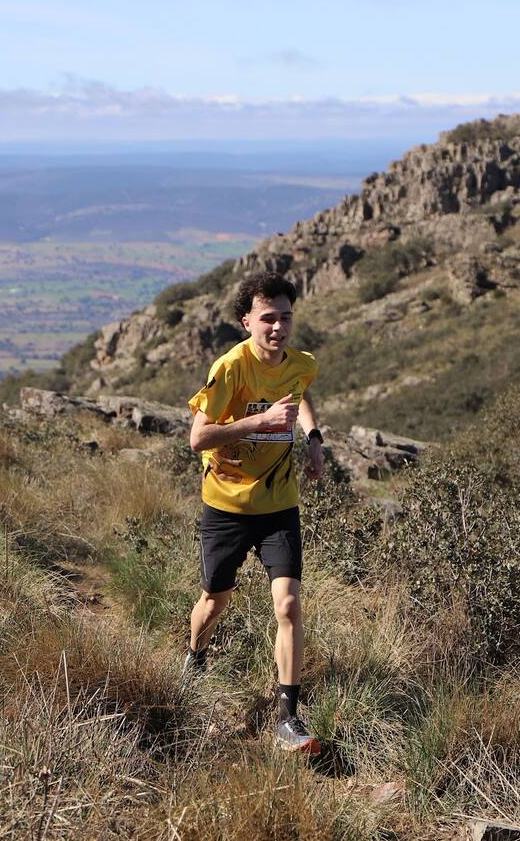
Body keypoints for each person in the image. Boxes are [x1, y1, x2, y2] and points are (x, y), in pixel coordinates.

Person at [183, 271, 325, 754]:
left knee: (287, 605)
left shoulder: (301, 363)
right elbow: (197, 438)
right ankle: (194, 658)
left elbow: (301, 390)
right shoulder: (231, 368)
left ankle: (289, 718)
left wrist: (313, 439)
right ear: (247, 322)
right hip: (225, 505)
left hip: (279, 504)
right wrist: (259, 421)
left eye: (285, 317)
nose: (278, 327)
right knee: (214, 601)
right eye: (268, 318)